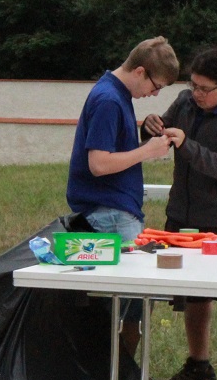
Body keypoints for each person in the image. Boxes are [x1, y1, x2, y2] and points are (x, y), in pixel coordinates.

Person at [139, 47, 217, 380]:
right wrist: (150, 126)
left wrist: (187, 145)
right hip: (183, 212)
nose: (197, 94)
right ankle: (198, 364)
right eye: (193, 85)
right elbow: (161, 133)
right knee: (193, 292)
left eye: (205, 89)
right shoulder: (184, 102)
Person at [67, 36, 180, 353]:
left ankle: (117, 369)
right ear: (140, 71)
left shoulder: (114, 94)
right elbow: (99, 163)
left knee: (131, 301)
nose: (155, 94)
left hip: (112, 210)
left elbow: (112, 150)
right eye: (156, 86)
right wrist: (148, 150)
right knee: (135, 300)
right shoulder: (109, 100)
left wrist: (143, 134)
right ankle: (120, 370)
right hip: (110, 215)